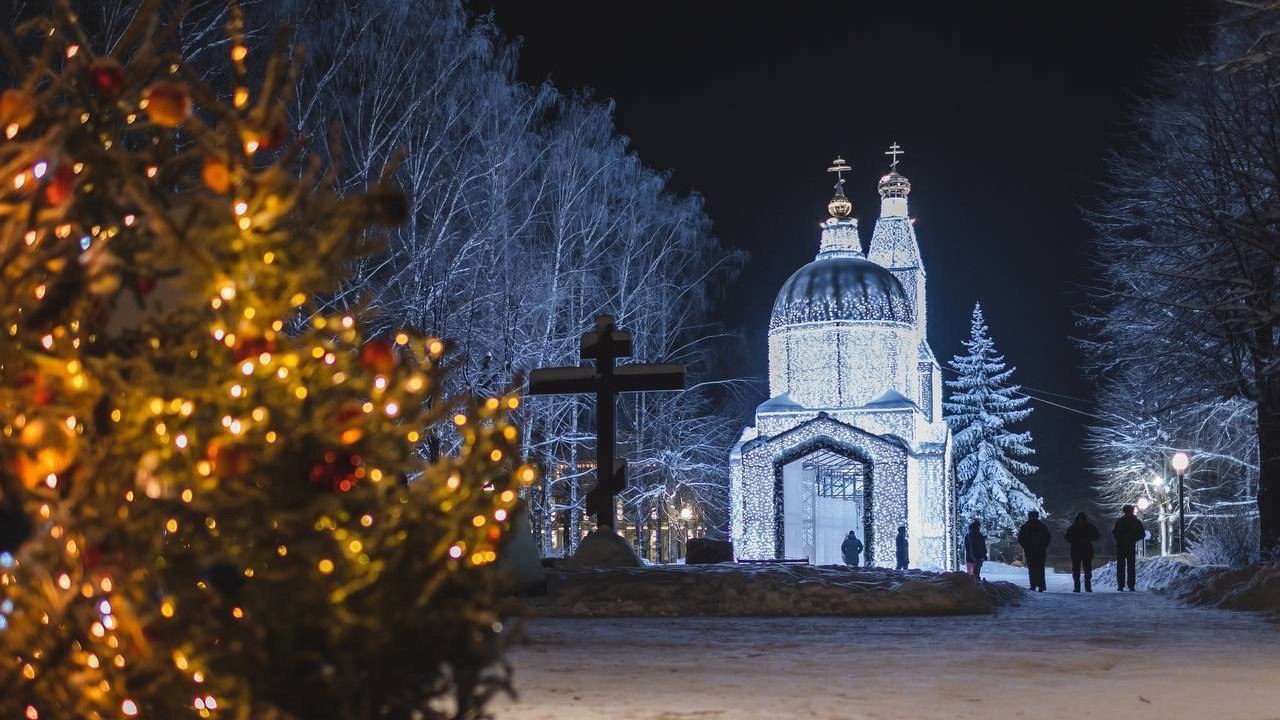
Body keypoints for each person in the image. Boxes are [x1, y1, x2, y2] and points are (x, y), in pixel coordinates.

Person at [1063, 512, 1101, 592]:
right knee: (1085, 569)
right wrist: (1088, 539)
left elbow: (1067, 538)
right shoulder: (1090, 527)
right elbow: (1097, 536)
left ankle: (1078, 587)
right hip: (1086, 549)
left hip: (1077, 550)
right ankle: (1086, 587)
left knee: (1078, 569)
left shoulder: (1072, 527)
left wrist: (1075, 540)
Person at [1112, 505, 1146, 591]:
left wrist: (1121, 538)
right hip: (1130, 546)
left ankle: (1121, 585)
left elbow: (1115, 533)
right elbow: (1142, 534)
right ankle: (1130, 585)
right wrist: (1133, 539)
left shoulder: (1120, 521)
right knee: (1130, 566)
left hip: (1121, 546)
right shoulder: (1136, 522)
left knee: (1121, 566)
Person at [1016, 510, 1052, 592]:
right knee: (1035, 569)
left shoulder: (1037, 526)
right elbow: (1021, 539)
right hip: (1033, 550)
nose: (1033, 518)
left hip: (1037, 550)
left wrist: (1042, 546)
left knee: (1036, 568)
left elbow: (1047, 538)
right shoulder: (1029, 527)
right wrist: (1026, 546)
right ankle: (1036, 585)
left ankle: (1038, 585)